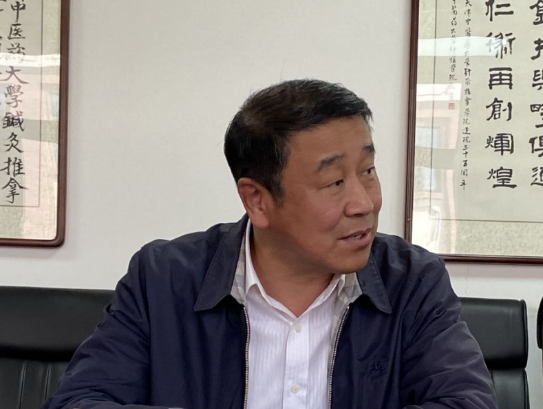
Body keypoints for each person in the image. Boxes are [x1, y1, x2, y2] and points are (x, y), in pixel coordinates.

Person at [43, 79, 498, 409]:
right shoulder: (163, 279)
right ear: (257, 200)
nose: (364, 203)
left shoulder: (412, 280)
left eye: (368, 172)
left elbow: (466, 402)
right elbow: (81, 399)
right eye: (334, 182)